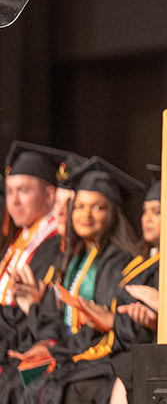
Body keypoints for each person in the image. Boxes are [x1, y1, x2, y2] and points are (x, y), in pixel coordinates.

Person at [0, 156, 142, 404]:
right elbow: (56, 318)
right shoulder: (74, 259)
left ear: (112, 213)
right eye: (79, 206)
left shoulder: (118, 264)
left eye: (97, 207)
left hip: (98, 361)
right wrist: (36, 312)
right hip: (69, 353)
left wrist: (54, 349)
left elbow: (105, 328)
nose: (84, 214)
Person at [0, 143, 83, 356]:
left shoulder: (56, 245)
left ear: (49, 196)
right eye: (9, 191)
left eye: (23, 191)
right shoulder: (17, 244)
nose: (14, 201)